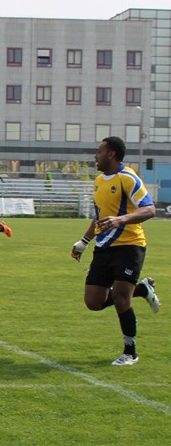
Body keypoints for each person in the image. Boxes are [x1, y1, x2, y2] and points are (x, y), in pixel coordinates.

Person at [71, 136, 160, 366]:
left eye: (99, 151)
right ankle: (141, 289)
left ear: (111, 154)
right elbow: (99, 217)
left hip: (130, 246)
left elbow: (149, 209)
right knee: (93, 302)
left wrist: (122, 219)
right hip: (103, 248)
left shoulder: (128, 178)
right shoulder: (99, 181)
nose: (95, 156)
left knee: (121, 298)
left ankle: (130, 353)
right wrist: (84, 241)